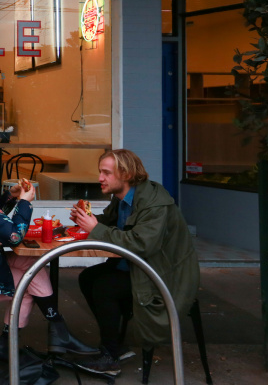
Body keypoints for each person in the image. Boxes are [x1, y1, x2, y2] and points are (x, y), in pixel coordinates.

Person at [0, 150, 98, 359]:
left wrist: (11, 196)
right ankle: (19, 341)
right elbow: (13, 236)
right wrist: (24, 203)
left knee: (31, 262)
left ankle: (55, 333)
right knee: (28, 282)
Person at [69, 149, 200, 377]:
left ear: (127, 174)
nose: (100, 178)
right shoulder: (122, 197)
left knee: (104, 287)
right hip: (139, 267)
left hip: (164, 275)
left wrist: (95, 228)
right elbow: (110, 223)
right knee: (88, 277)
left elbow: (141, 244)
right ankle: (116, 345)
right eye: (100, 172)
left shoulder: (154, 203)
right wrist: (87, 220)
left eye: (106, 173)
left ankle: (110, 357)